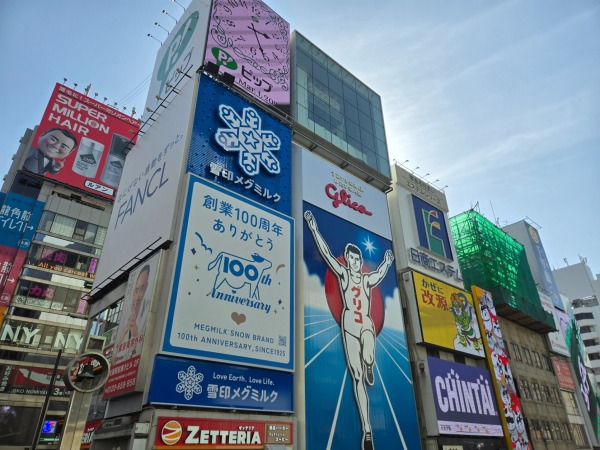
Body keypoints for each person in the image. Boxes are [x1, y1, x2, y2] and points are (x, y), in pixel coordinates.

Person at [304, 210, 394, 450]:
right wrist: (313, 228)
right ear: (346, 259)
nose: (353, 262)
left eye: (356, 259)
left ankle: (370, 363)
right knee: (357, 378)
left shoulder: (366, 280)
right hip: (349, 326)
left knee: (368, 354)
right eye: (350, 258)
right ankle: (367, 429)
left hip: (365, 324)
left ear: (360, 261)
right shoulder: (343, 275)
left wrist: (387, 262)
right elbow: (325, 254)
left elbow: (380, 274)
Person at [117, 264, 150, 351]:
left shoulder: (149, 309)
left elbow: (144, 350)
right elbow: (114, 356)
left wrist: (135, 335)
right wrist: (123, 334)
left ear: (146, 287)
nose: (137, 297)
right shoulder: (125, 312)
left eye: (142, 289)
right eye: (136, 290)